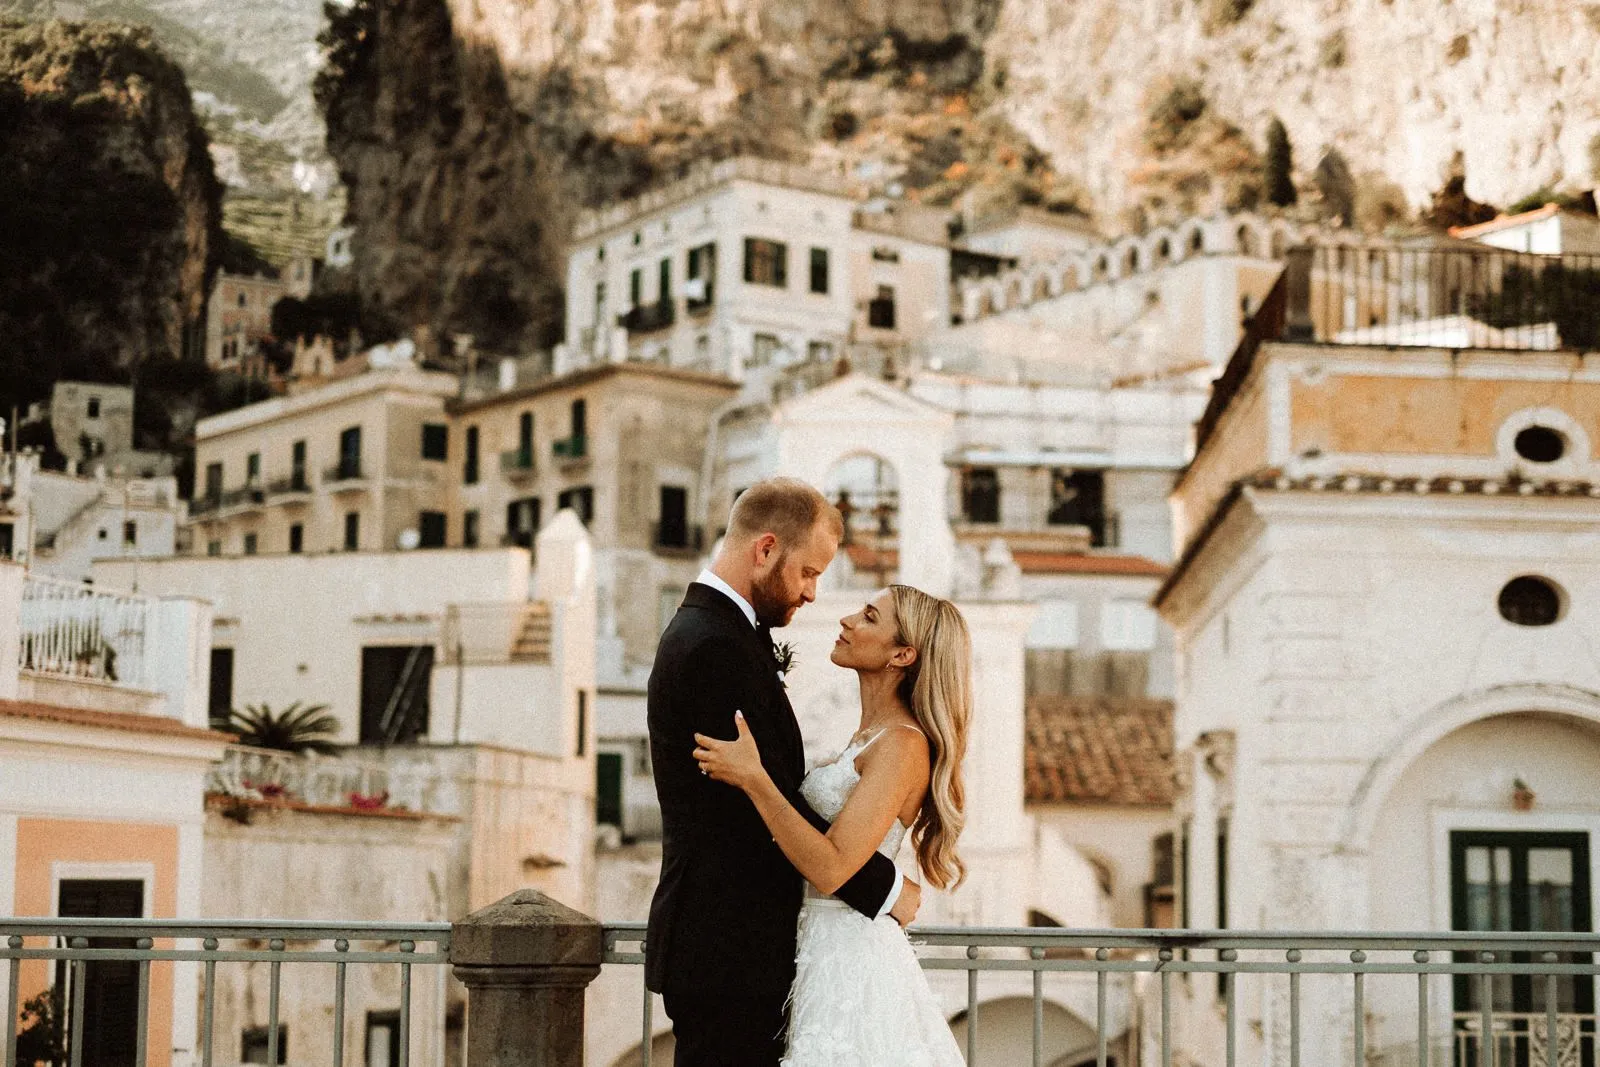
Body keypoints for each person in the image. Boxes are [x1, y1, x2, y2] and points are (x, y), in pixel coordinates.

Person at [646, 478, 922, 1066]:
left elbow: (771, 789)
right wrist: (886, 887)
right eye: (809, 573)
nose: (815, 594)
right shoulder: (713, 647)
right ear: (766, 549)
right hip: (727, 949)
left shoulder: (723, 634)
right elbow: (753, 807)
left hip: (740, 952)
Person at [695, 583, 971, 1066]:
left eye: (868, 617)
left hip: (852, 959)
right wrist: (893, 889)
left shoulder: (902, 746)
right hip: (817, 947)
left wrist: (755, 779)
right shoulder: (866, 738)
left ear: (902, 654)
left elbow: (832, 867)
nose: (846, 620)